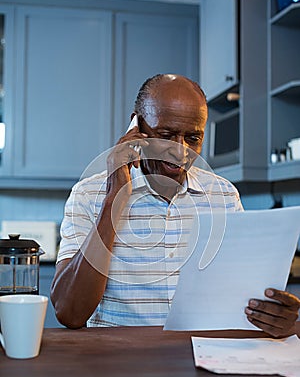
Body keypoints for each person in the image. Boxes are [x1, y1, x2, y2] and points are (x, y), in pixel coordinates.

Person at [51, 73, 300, 336]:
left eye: (193, 138)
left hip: (199, 359)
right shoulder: (89, 194)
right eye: (166, 135)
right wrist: (116, 197)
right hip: (118, 362)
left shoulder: (224, 196)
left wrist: (274, 316)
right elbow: (70, 313)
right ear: (135, 128)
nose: (180, 151)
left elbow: (241, 296)